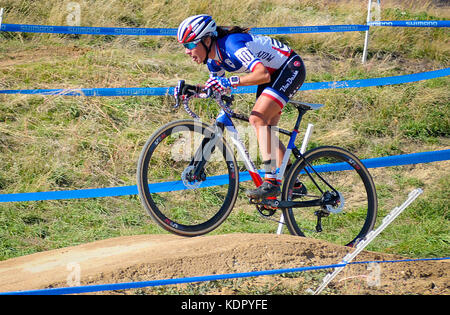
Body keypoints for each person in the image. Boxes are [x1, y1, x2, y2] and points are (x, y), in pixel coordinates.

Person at [175, 14, 306, 200]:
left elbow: (261, 74)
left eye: (189, 45)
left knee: (257, 119)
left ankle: (271, 182)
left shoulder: (231, 45)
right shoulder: (214, 61)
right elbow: (214, 89)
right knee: (266, 129)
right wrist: (192, 90)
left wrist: (229, 82)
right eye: (184, 47)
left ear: (206, 40)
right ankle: (294, 182)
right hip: (273, 73)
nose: (187, 51)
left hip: (289, 68)